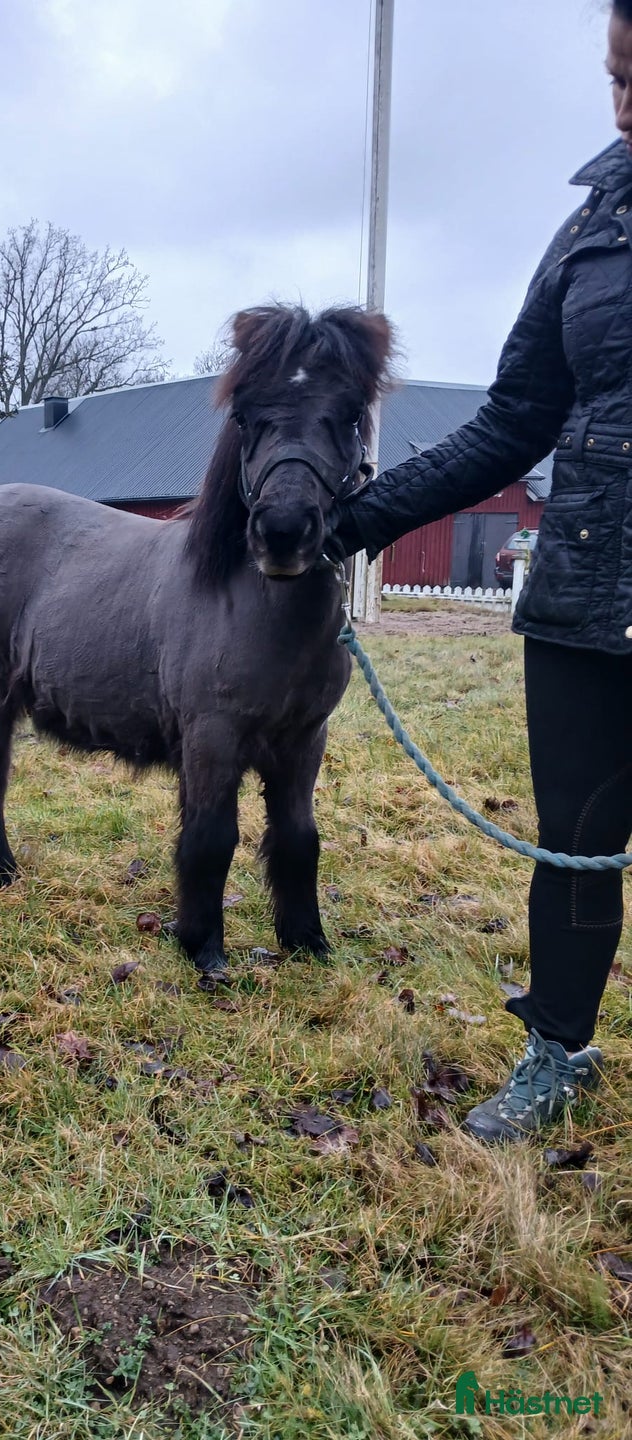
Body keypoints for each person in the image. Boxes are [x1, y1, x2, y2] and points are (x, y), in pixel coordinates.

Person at [328, 2, 632, 1142]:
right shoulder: (592, 228)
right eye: (616, 79)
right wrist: (362, 519)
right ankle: (559, 1047)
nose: (625, 108)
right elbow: (513, 419)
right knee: (576, 838)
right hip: (586, 594)